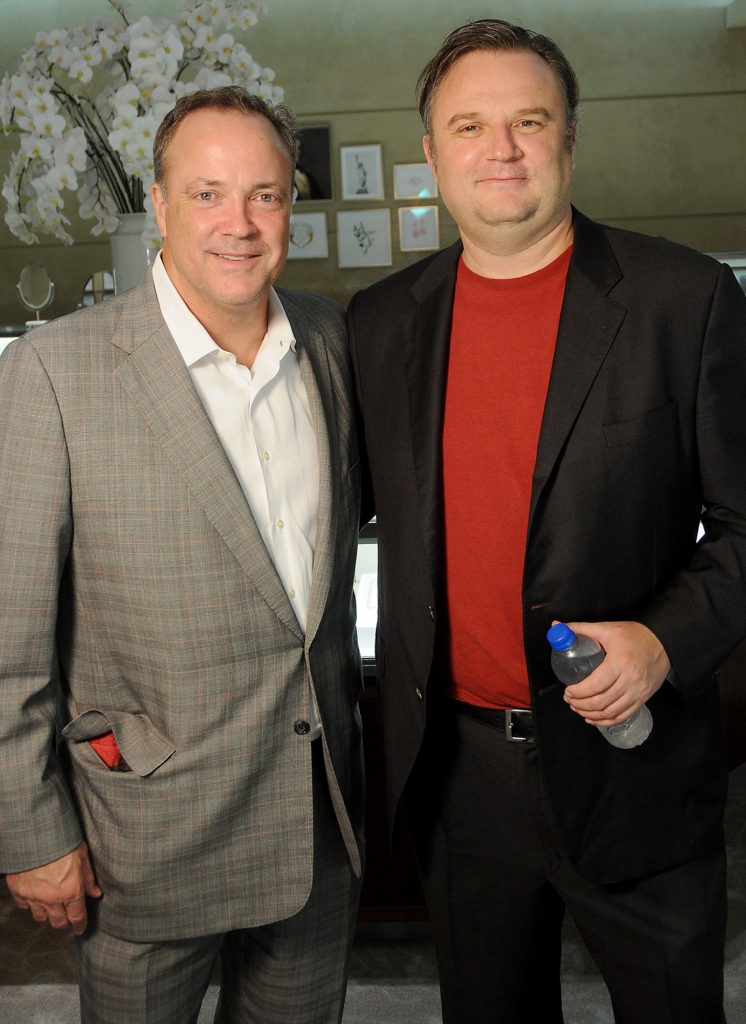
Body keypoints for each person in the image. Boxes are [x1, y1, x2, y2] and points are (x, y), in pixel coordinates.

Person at [347, 18, 746, 1024]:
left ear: (569, 137)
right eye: (469, 125)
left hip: (634, 760)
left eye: (529, 120)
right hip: (459, 776)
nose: (502, 148)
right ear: (431, 152)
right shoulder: (380, 323)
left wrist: (664, 639)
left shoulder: (683, 298)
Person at [0, 86, 364, 1024]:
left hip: (315, 821)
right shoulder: (52, 371)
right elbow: (9, 640)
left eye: (264, 195)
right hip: (141, 834)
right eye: (207, 194)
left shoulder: (330, 339)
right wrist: (30, 831)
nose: (238, 224)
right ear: (159, 205)